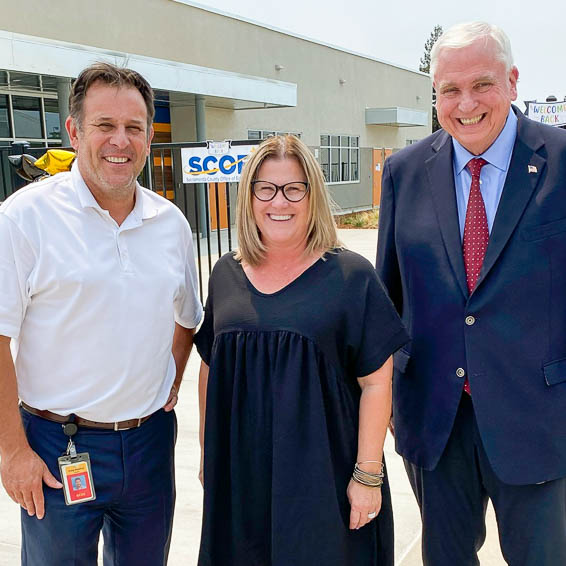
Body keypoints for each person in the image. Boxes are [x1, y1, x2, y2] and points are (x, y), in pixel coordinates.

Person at [377, 21, 566, 565]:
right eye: (448, 90)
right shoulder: (403, 172)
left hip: (537, 418)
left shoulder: (560, 161)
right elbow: (388, 299)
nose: (465, 103)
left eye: (481, 84)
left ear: (511, 81)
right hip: (435, 421)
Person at [0, 63, 202, 565]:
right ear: (73, 131)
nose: (121, 141)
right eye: (104, 125)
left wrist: (170, 385)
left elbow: (187, 318)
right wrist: (12, 452)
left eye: (134, 127)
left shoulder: (170, 223)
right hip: (56, 446)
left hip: (149, 442)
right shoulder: (24, 219)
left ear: (148, 137)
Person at [194, 134, 408, 566]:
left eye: (294, 188)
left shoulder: (351, 275)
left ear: (312, 196)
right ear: (249, 197)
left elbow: (376, 382)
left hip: (323, 475)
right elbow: (210, 369)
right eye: (266, 188)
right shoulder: (225, 274)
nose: (280, 202)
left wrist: (367, 475)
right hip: (243, 474)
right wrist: (208, 454)